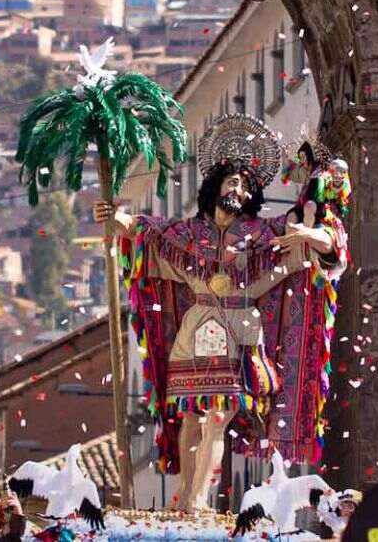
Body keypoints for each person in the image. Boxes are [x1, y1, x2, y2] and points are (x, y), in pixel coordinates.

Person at [93, 114, 349, 512]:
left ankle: (197, 500)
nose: (238, 188)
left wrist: (313, 210)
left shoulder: (266, 233)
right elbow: (145, 232)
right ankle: (186, 502)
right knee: (193, 418)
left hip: (240, 334)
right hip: (195, 333)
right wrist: (115, 218)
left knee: (218, 416)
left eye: (246, 185)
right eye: (232, 181)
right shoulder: (187, 234)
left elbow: (325, 232)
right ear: (214, 186)